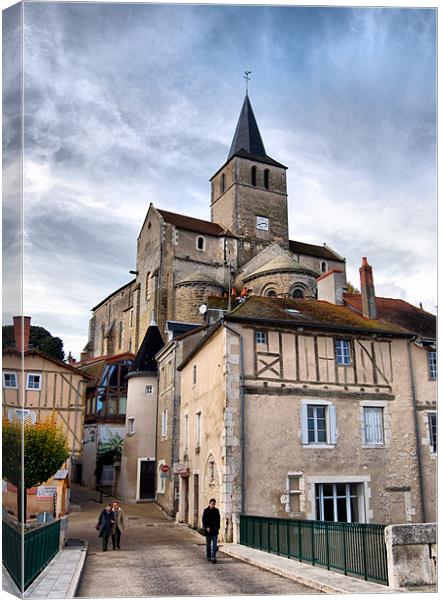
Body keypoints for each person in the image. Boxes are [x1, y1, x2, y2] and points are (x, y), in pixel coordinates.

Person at [202, 498, 220, 564]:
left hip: (215, 530)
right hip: (208, 531)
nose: (213, 505)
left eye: (214, 504)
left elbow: (218, 520)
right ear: (209, 503)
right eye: (212, 504)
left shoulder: (216, 511)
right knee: (208, 545)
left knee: (214, 545)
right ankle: (208, 556)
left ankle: (213, 557)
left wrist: (218, 528)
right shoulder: (206, 510)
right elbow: (204, 520)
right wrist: (206, 527)